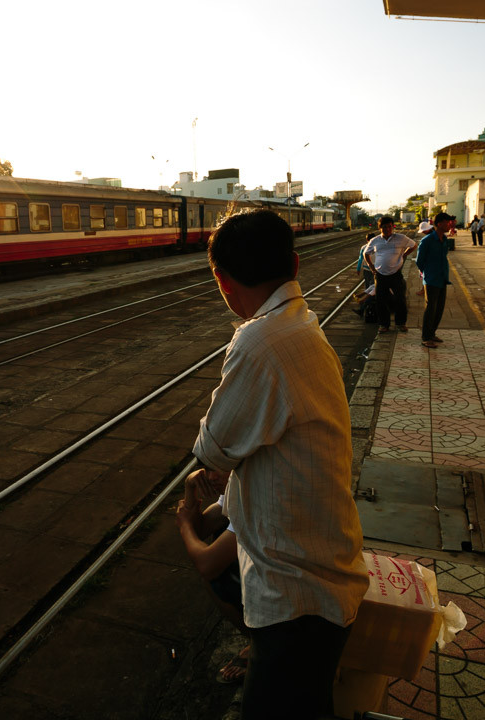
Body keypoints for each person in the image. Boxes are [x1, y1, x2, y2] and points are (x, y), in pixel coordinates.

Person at [191, 208, 369, 720]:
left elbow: (212, 447)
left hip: (297, 600)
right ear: (294, 263)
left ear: (223, 282)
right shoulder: (301, 324)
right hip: (320, 575)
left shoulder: (259, 339)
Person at [175, 467, 249, 682]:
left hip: (293, 595)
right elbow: (202, 528)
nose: (210, 477)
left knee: (214, 574)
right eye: (206, 469)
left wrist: (185, 526)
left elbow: (207, 564)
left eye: (217, 468)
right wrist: (190, 488)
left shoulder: (249, 493)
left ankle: (262, 644)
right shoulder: (235, 482)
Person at [363, 217, 417, 332]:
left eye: (389, 226)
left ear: (393, 227)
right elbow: (366, 253)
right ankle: (384, 325)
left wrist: (404, 254)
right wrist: (372, 267)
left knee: (400, 299)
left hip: (395, 274)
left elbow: (414, 245)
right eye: (384, 227)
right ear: (380, 228)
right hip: (380, 275)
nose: (387, 229)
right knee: (381, 300)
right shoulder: (375, 241)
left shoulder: (401, 238)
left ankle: (401, 323)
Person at [416, 212, 453, 348]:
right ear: (439, 224)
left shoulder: (444, 239)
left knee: (439, 308)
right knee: (431, 308)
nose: (449, 225)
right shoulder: (427, 241)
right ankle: (426, 337)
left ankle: (432, 333)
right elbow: (419, 262)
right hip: (431, 280)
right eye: (447, 222)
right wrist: (429, 273)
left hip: (443, 278)